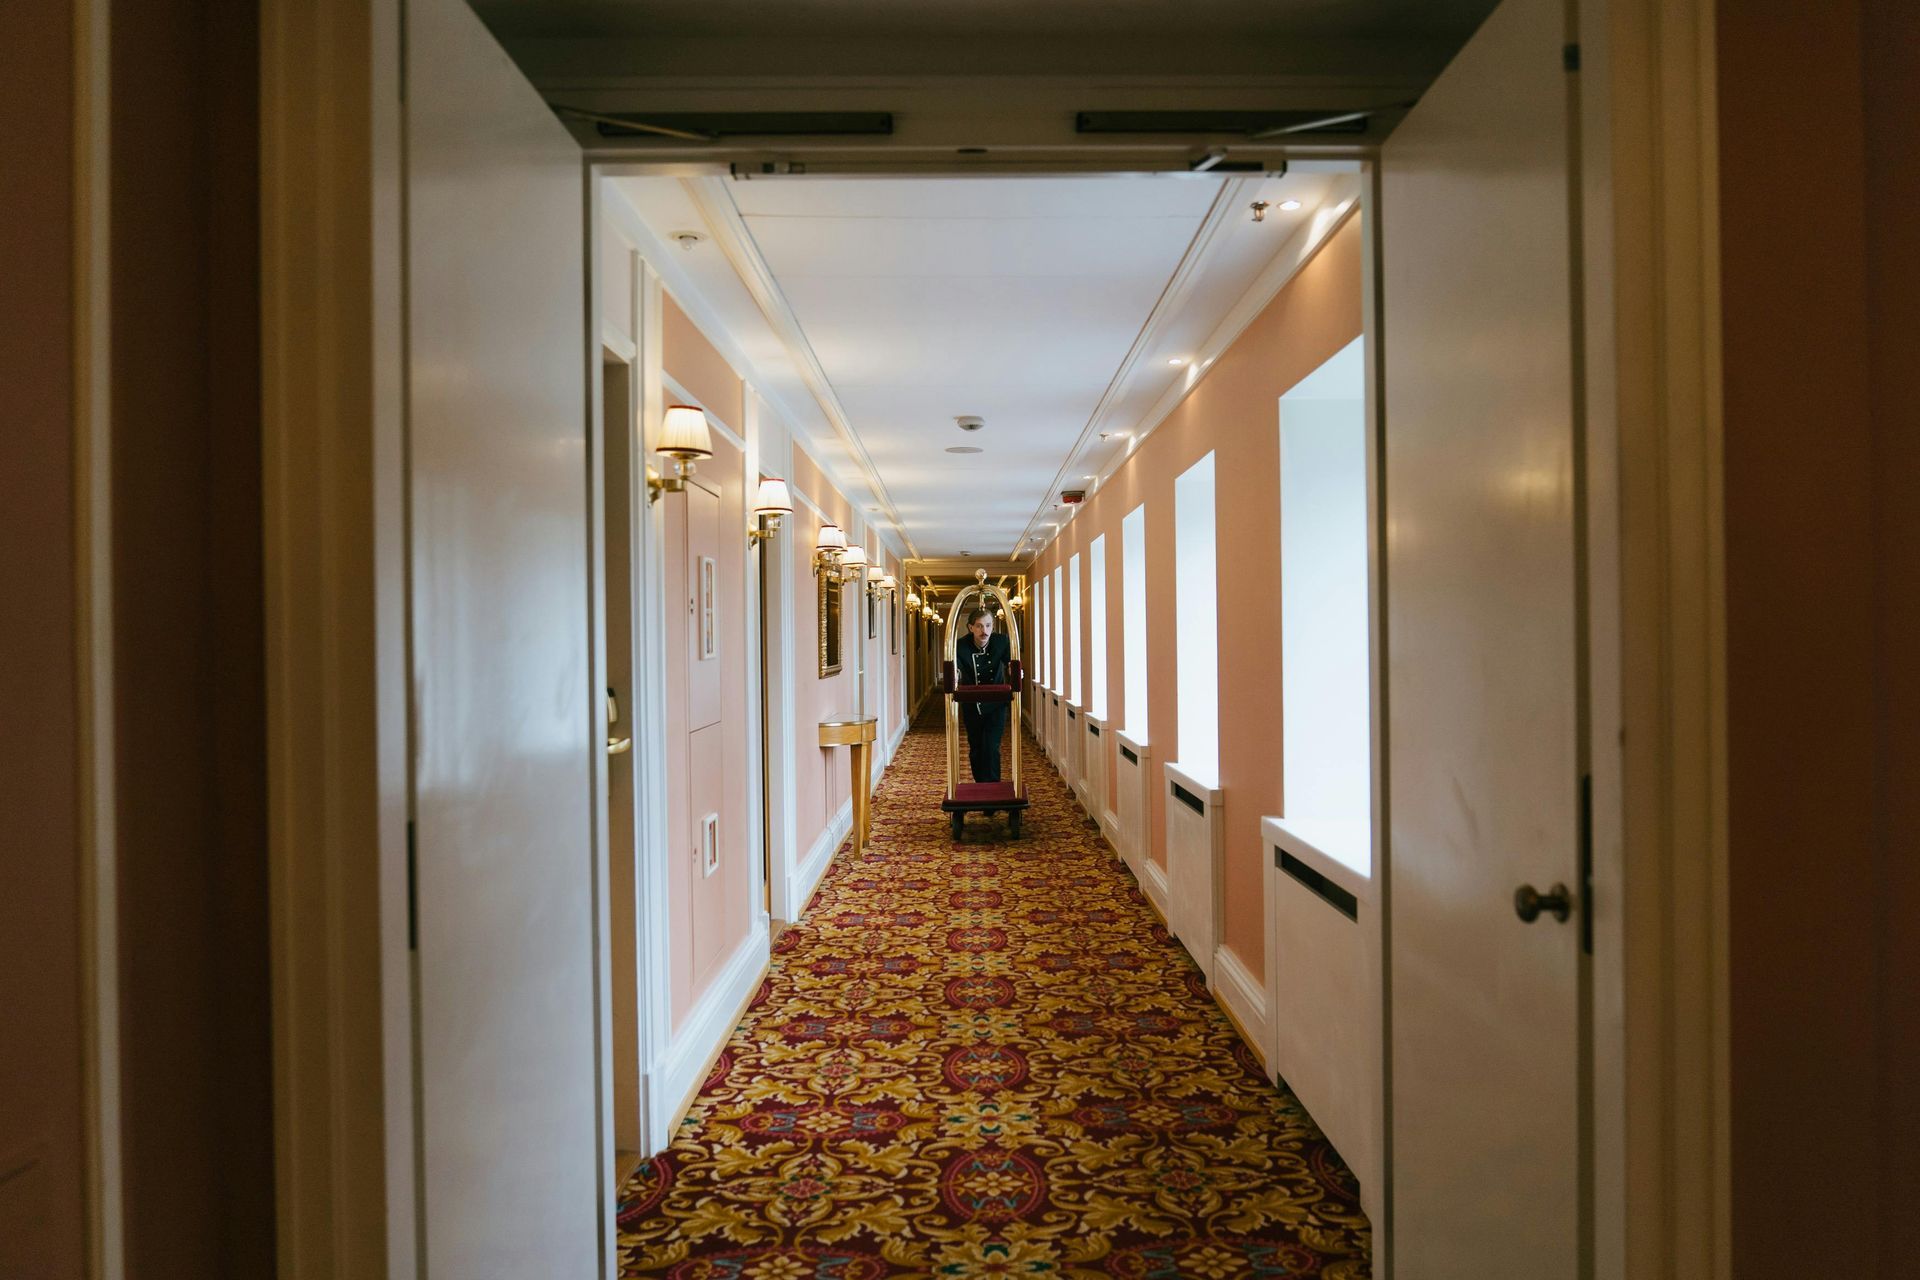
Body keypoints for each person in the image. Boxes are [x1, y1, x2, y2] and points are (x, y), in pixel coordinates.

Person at [954, 604, 1012, 783]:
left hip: (996, 704)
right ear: (971, 627)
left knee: (992, 748)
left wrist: (1015, 671)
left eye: (988, 625)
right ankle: (980, 786)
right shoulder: (960, 646)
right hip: (972, 705)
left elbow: (1011, 663)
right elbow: (955, 670)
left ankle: (993, 790)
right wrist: (954, 676)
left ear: (993, 626)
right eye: (979, 626)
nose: (984, 631)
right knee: (977, 748)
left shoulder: (1002, 642)